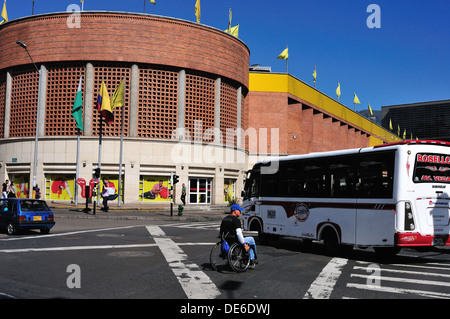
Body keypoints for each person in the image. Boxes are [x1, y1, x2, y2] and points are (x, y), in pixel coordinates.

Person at [219, 204, 258, 269]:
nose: (240, 212)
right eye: (239, 210)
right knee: (251, 240)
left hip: (227, 240)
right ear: (235, 211)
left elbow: (220, 232)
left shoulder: (225, 219)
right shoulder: (236, 220)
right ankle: (252, 259)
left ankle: (230, 261)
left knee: (246, 239)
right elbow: (239, 234)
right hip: (235, 241)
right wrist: (244, 244)